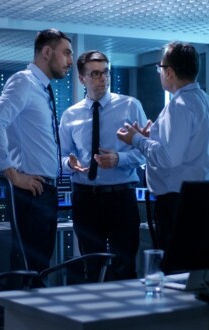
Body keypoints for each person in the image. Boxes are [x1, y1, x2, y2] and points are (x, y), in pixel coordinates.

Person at [0, 28, 73, 272]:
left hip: (44, 191)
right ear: (46, 52)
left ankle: (30, 310)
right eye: (66, 54)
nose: (70, 61)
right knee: (28, 268)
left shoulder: (41, 88)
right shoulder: (24, 82)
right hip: (31, 192)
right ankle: (17, 311)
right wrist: (12, 174)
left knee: (38, 267)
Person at [117, 41, 209, 251]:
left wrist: (136, 140)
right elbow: (185, 147)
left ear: (170, 72)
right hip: (196, 198)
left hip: (176, 203)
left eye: (160, 67)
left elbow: (168, 158)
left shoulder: (179, 106)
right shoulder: (207, 103)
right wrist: (150, 137)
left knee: (175, 269)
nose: (160, 72)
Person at [59, 50, 147, 280]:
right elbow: (59, 159)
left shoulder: (130, 106)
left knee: (125, 267)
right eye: (95, 74)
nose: (103, 79)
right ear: (82, 79)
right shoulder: (70, 115)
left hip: (121, 198)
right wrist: (69, 164)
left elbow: (146, 152)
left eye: (106, 73)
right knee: (91, 268)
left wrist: (120, 158)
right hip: (85, 198)